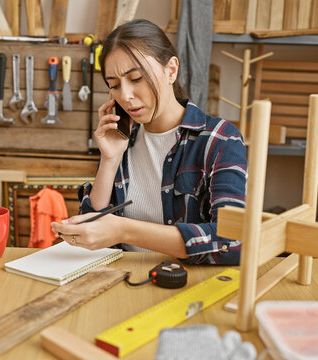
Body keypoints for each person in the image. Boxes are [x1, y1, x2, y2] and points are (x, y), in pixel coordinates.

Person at [51, 19, 247, 265]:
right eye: (114, 85)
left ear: (171, 70)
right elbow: (92, 237)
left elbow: (233, 242)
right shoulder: (123, 139)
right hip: (122, 284)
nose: (126, 96)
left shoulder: (220, 140)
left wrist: (124, 230)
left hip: (187, 289)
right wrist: (109, 160)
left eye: (136, 78)